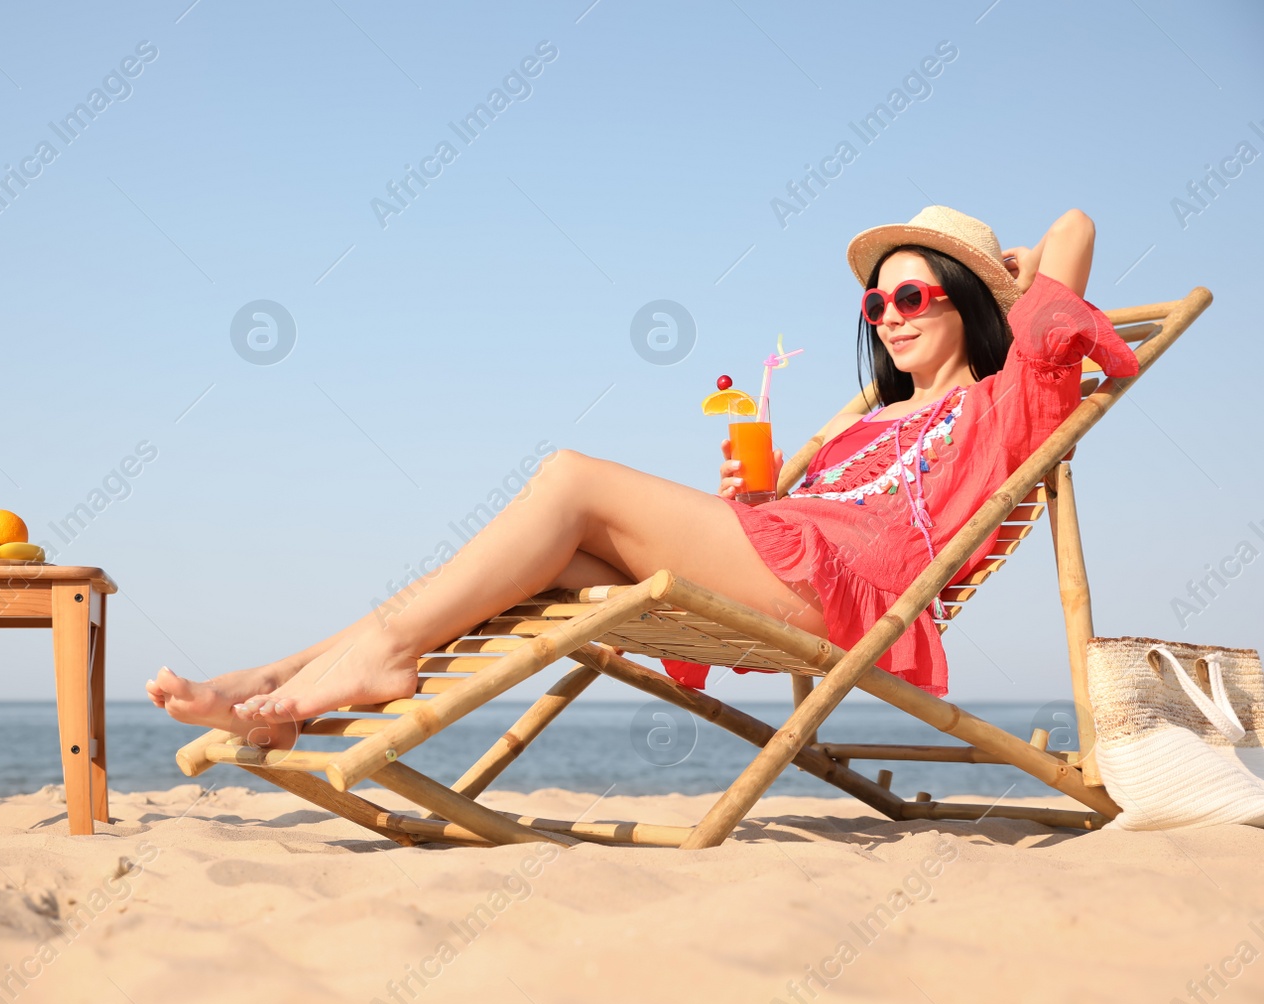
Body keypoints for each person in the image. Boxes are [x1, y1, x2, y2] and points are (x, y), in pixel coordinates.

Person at [147, 205, 1138, 746]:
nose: (888, 315)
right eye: (874, 306)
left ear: (967, 298)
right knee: (533, 548)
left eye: (915, 293)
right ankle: (277, 676)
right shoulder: (863, 419)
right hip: (787, 556)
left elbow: (1075, 225)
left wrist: (1009, 269)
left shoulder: (1012, 397)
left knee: (568, 477)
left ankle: (367, 660)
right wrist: (750, 498)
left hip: (860, 591)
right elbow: (801, 505)